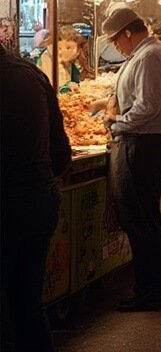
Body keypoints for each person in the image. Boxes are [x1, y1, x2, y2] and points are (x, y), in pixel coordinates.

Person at [97, 5, 161, 311]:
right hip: (144, 141)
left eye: (116, 40)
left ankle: (152, 289)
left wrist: (118, 123)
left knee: (140, 219)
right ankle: (152, 286)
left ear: (128, 33)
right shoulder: (145, 55)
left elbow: (147, 105)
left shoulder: (149, 56)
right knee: (143, 218)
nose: (116, 46)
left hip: (144, 144)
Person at [0, 44, 71, 352]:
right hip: (40, 197)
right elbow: (61, 153)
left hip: (7, 199)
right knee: (28, 299)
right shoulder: (33, 74)